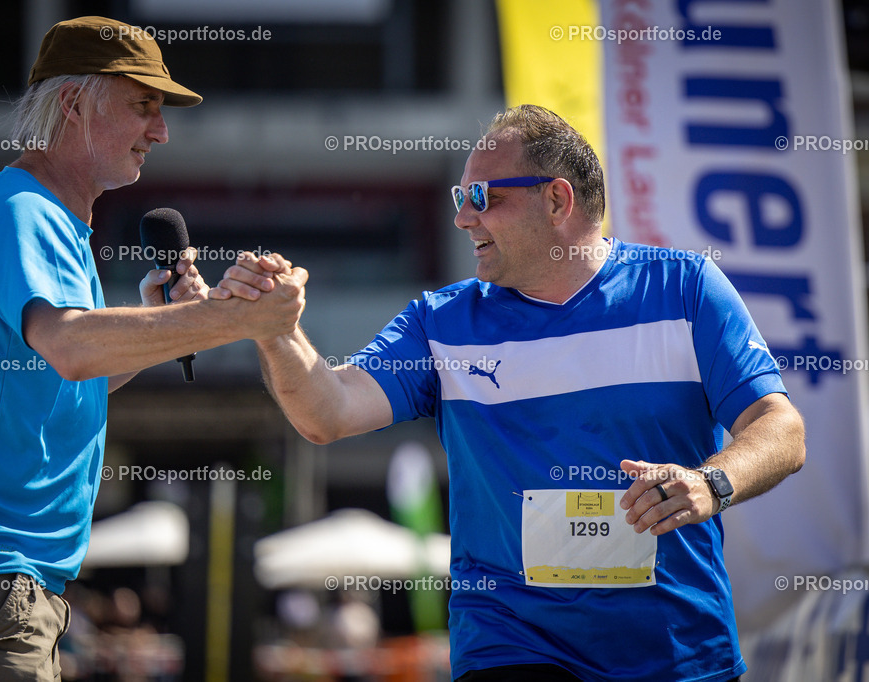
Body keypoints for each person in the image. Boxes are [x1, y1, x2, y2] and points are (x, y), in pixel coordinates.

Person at [213, 105, 806, 681]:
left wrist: (710, 484)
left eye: (482, 198)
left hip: (675, 649)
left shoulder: (684, 289)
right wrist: (278, 333)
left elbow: (781, 429)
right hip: (510, 646)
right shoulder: (441, 323)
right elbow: (327, 412)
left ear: (557, 199)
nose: (463, 219)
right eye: (458, 198)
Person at [0, 16, 306, 681]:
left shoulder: (42, 216)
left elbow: (65, 375)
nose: (160, 131)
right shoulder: (26, 211)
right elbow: (70, 347)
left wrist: (166, 325)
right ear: (72, 103)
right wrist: (225, 318)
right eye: (143, 106)